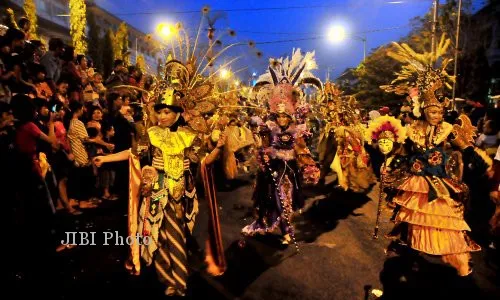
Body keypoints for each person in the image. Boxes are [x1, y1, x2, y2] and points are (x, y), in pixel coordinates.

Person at [380, 38, 492, 276]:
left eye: (439, 111)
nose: (436, 115)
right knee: (413, 219)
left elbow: (464, 147)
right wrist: (390, 160)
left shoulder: (447, 129)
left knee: (445, 219)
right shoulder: (412, 130)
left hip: (439, 181)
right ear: (423, 110)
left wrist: (480, 161)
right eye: (432, 111)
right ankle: (410, 250)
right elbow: (402, 151)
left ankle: (457, 258)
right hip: (415, 180)